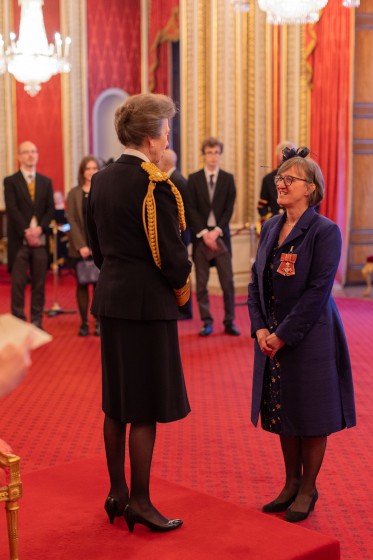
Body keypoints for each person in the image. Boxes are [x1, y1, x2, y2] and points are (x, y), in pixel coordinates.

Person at [86, 93, 192, 533]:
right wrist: (182, 285)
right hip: (147, 307)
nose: (168, 137)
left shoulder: (101, 179)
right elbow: (172, 258)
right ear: (150, 137)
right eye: (166, 129)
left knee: (118, 402)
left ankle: (117, 492)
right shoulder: (156, 184)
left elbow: (96, 245)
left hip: (111, 300)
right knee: (144, 407)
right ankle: (142, 502)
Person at [248, 147, 356, 523]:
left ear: (310, 189)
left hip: (310, 336)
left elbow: (318, 292)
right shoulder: (271, 227)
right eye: (279, 178)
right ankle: (290, 483)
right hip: (272, 334)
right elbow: (255, 281)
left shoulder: (325, 232)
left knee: (310, 412)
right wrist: (260, 327)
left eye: (289, 179)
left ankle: (308, 487)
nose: (281, 183)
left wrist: (282, 335)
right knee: (282, 408)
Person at [185, 137, 240, 336]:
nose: (213, 156)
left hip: (221, 236)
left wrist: (216, 231)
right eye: (209, 152)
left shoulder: (228, 178)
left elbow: (228, 208)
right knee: (201, 284)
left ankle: (229, 321)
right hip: (201, 237)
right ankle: (206, 321)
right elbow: (190, 208)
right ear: (204, 154)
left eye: (216, 152)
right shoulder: (194, 178)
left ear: (220, 154)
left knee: (228, 282)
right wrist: (203, 233)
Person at [4, 141, 54, 329]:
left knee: (39, 284)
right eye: (26, 152)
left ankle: (36, 320)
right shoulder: (10, 181)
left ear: (37, 155)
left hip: (40, 240)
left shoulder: (46, 181)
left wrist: (39, 229)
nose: (30, 155)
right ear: (19, 157)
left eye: (33, 151)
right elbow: (12, 208)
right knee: (17, 284)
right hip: (19, 240)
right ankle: (18, 320)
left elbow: (50, 209)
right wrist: (27, 231)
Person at [66, 156, 101, 336]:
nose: (91, 172)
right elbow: (71, 220)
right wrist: (81, 246)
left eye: (94, 168)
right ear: (82, 172)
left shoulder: (103, 191)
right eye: (88, 168)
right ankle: (84, 323)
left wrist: (97, 246)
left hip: (99, 247)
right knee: (82, 284)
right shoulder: (73, 193)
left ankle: (98, 323)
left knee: (99, 286)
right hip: (80, 247)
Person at [159, 148, 192, 320]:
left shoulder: (176, 180)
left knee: (181, 269)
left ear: (165, 161)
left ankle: (185, 309)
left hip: (180, 233)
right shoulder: (174, 178)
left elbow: (183, 211)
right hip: (179, 233)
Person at [257, 141, 297, 228]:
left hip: (297, 223)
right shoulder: (268, 179)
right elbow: (261, 206)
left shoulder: (300, 177)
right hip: (275, 225)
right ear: (278, 156)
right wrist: (271, 219)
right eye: (283, 153)